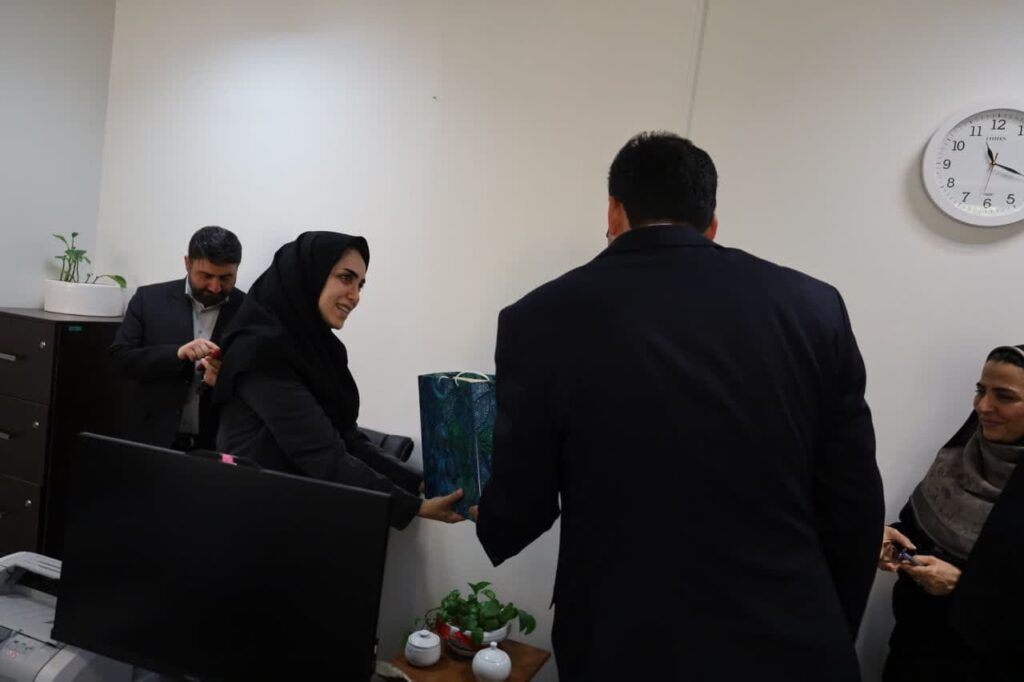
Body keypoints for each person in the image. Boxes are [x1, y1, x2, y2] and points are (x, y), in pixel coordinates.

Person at [472, 132, 884, 681]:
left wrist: (487, 514)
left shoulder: (538, 317)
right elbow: (855, 503)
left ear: (614, 211)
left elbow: (524, 498)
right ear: (711, 223)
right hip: (791, 638)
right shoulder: (814, 307)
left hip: (624, 639)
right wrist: (829, 626)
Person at [214, 231, 463, 529]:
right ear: (308, 275)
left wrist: (420, 482)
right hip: (258, 519)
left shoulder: (321, 351)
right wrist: (415, 507)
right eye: (346, 278)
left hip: (303, 511)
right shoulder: (260, 350)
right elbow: (319, 452)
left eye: (360, 285)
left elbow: (346, 437)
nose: (355, 296)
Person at [879, 344, 1024, 681]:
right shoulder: (959, 459)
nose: (982, 406)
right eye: (981, 390)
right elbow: (920, 529)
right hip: (914, 649)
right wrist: (893, 541)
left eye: (1004, 396)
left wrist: (962, 587)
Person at [110, 225, 245, 451]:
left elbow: (260, 381)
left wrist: (226, 378)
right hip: (152, 439)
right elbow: (119, 360)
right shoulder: (148, 300)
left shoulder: (249, 311)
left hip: (217, 445)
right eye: (206, 276)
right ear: (187, 263)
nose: (215, 287)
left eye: (225, 278)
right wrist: (177, 354)